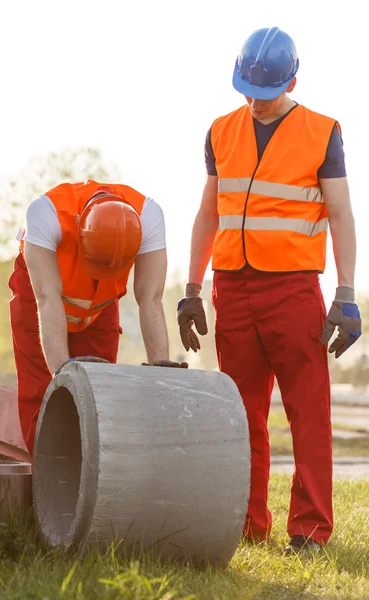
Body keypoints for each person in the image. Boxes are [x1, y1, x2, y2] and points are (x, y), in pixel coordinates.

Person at [177, 27, 362, 555]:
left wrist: (346, 293)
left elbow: (342, 213)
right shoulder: (220, 131)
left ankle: (308, 532)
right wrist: (193, 286)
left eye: (265, 92)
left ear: (292, 80)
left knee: (308, 412)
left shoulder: (322, 131)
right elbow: (208, 212)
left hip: (293, 291)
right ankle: (247, 522)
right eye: (247, 91)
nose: (254, 102)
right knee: (241, 414)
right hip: (231, 290)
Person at [9, 179, 187, 456]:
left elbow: (150, 299)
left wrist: (159, 370)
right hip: (41, 293)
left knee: (100, 391)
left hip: (101, 302)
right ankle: (51, 484)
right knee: (43, 393)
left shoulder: (149, 217)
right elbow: (47, 299)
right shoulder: (46, 214)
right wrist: (62, 372)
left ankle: (94, 477)